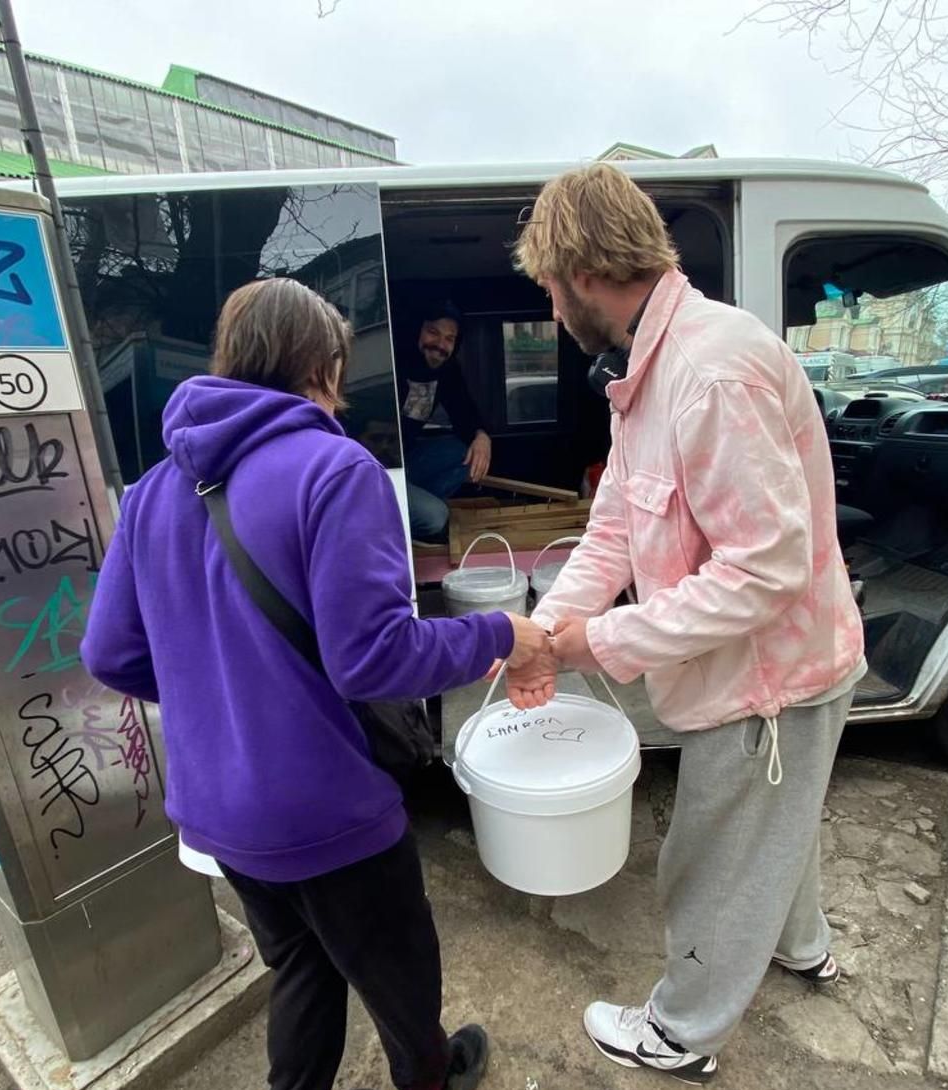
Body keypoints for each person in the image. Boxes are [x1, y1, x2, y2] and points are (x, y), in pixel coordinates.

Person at [83, 278, 553, 1090]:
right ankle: (429, 1075)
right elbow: (372, 658)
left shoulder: (154, 490)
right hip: (326, 808)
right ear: (326, 366)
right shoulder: (337, 470)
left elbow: (110, 654)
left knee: (301, 966)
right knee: (400, 983)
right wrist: (503, 632)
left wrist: (221, 692)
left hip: (217, 810)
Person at [511, 164, 867, 1084]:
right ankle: (802, 947)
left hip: (770, 682)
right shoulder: (650, 372)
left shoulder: (710, 373)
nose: (551, 310)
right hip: (752, 669)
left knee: (711, 855)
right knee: (778, 827)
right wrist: (547, 631)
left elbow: (768, 569)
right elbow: (616, 527)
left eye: (549, 288)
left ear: (585, 270)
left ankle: (681, 1030)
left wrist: (607, 642)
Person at [397, 302, 492, 543]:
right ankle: (396, 522)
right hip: (378, 472)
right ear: (417, 331)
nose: (441, 344)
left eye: (449, 339)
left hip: (406, 460)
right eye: (433, 332)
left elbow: (464, 410)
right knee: (436, 517)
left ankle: (412, 504)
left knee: (463, 452)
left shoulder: (446, 370)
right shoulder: (393, 361)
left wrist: (481, 435)